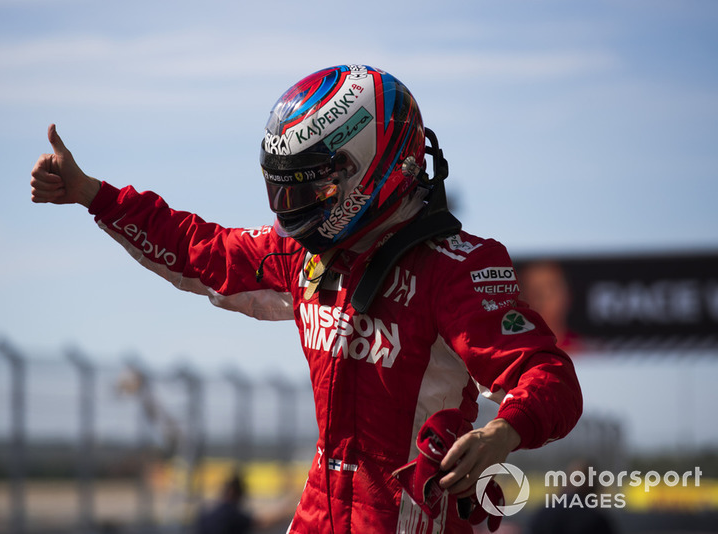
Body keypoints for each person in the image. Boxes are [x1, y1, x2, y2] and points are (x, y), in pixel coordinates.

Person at [31, 64, 583, 534]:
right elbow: (199, 250)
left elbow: (549, 377)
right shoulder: (305, 255)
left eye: (306, 189)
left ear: (371, 165)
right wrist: (92, 195)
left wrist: (503, 430)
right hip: (318, 517)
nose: (290, 208)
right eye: (282, 189)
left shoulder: (457, 267)